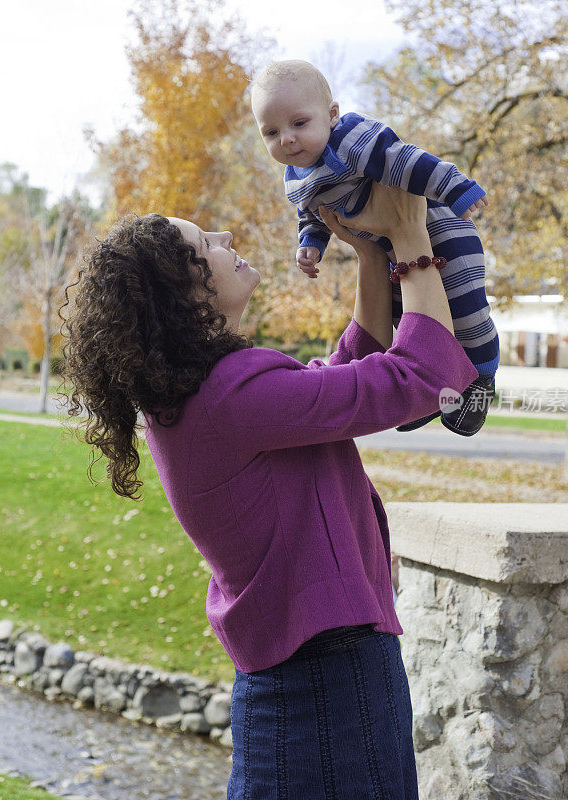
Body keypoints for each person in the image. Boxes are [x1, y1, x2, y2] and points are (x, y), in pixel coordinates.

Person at [59, 182, 478, 799]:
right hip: (333, 676)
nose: (227, 239)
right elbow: (423, 376)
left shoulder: (196, 397)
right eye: (206, 243)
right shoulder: (229, 394)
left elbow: (335, 382)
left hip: (298, 675)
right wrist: (412, 241)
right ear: (187, 293)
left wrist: (369, 258)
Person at [251, 58, 499, 436]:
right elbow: (312, 214)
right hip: (389, 250)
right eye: (271, 132)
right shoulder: (295, 174)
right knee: (405, 313)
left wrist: (454, 186)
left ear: (332, 115)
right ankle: (424, 391)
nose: (286, 139)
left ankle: (482, 374)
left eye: (299, 123)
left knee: (464, 310)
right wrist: (311, 243)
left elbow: (407, 160)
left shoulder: (352, 139)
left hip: (441, 228)